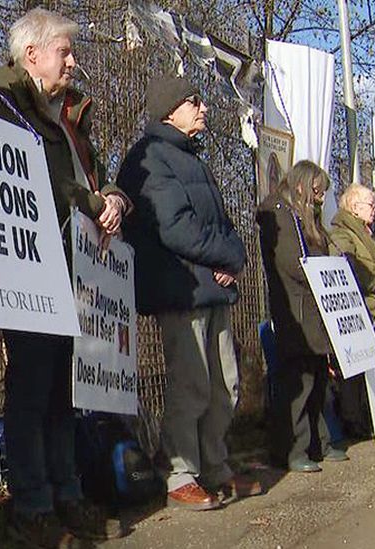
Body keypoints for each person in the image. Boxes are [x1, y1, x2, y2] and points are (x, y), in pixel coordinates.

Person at [0, 7, 128, 546]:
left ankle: (67, 494)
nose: (73, 61)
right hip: (27, 265)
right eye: (64, 51)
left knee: (66, 388)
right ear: (32, 54)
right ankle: (33, 502)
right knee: (32, 386)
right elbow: (32, 179)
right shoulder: (1, 104)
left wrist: (112, 198)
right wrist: (88, 199)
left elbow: (91, 174)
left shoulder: (70, 113)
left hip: (76, 264)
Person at [117, 75, 260, 510]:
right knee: (192, 383)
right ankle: (178, 469)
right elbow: (175, 228)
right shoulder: (151, 157)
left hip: (212, 287)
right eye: (192, 101)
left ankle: (215, 466)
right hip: (180, 289)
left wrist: (233, 257)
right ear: (168, 110)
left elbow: (223, 226)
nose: (203, 109)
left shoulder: (192, 159)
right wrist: (223, 257)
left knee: (226, 384)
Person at [256, 160, 350, 473]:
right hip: (295, 309)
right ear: (301, 186)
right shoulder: (282, 215)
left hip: (314, 306)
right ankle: (292, 449)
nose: (321, 198)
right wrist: (324, 271)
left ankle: (319, 443)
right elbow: (292, 263)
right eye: (317, 191)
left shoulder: (305, 217)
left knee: (318, 379)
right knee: (299, 382)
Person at [330, 183, 375, 440]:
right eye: (371, 205)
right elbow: (352, 270)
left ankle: (369, 417)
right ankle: (353, 420)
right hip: (362, 308)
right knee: (354, 368)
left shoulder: (363, 232)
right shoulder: (343, 232)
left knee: (370, 365)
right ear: (355, 207)